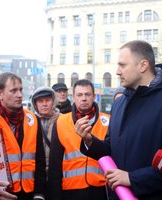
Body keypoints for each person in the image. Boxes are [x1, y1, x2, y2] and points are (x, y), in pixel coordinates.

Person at [77, 40, 162, 199]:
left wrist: (132, 178)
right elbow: (111, 149)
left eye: (123, 65)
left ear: (143, 65)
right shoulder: (119, 103)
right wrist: (89, 140)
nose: (117, 71)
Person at [0, 72, 46, 200]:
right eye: (14, 91)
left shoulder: (32, 119)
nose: (20, 95)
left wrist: (39, 193)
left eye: (21, 90)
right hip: (0, 193)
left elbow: (40, 160)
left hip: (29, 194)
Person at [48, 79, 110, 200]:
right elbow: (54, 164)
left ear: (94, 97)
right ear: (74, 98)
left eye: (87, 94)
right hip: (70, 191)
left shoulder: (108, 121)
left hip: (101, 190)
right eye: (79, 95)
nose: (84, 98)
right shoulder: (61, 122)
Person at [31, 86, 61, 199]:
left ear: (53, 102)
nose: (44, 104)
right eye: (40, 101)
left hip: (58, 176)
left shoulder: (63, 120)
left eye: (47, 100)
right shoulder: (30, 122)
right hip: (37, 178)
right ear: (35, 104)